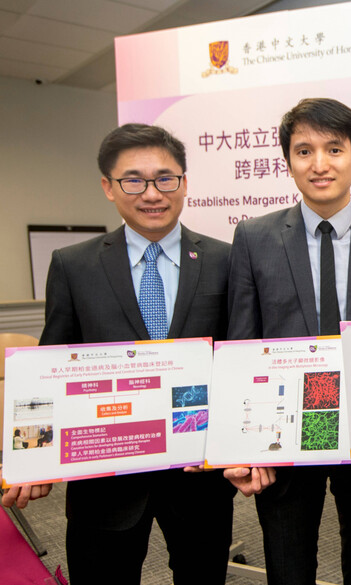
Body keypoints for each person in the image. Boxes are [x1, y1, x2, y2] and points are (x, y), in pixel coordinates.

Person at [1, 123, 236, 585]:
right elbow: (50, 366)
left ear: (184, 183)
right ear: (108, 187)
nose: (151, 193)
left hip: (197, 475)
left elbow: (236, 358)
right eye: (133, 180)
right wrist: (34, 457)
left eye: (165, 178)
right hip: (104, 481)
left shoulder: (225, 261)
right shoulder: (74, 265)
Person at [223, 97, 351, 585]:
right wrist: (246, 442)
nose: (320, 164)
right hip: (284, 436)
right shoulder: (254, 237)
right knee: (288, 568)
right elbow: (242, 342)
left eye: (335, 149)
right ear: (288, 161)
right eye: (304, 150)